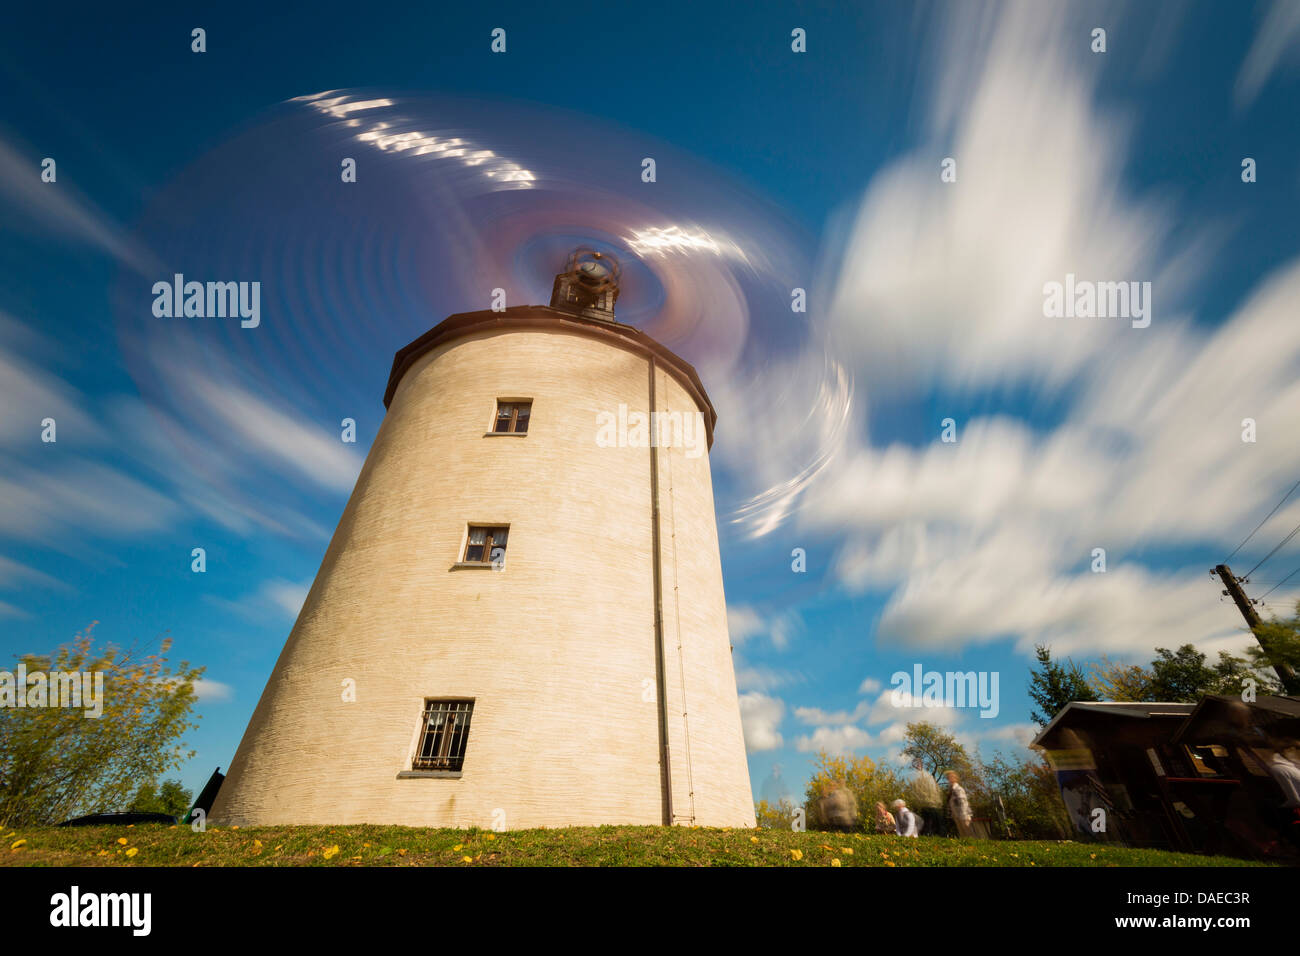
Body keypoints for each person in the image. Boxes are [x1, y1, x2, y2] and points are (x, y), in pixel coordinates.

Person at [910, 758, 944, 835]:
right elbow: (916, 790)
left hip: (930, 802)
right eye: (916, 764)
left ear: (921, 765)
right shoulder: (916, 777)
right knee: (926, 819)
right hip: (923, 803)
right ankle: (928, 833)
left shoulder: (927, 775)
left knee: (932, 820)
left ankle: (932, 833)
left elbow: (933, 788)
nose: (917, 766)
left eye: (919, 764)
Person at [946, 770, 974, 838]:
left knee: (968, 831)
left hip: (963, 814)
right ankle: (965, 846)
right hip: (956, 814)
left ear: (955, 778)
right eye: (948, 777)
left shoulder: (958, 789)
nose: (949, 779)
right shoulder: (951, 789)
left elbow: (963, 802)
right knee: (961, 832)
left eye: (951, 777)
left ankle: (973, 845)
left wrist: (963, 814)